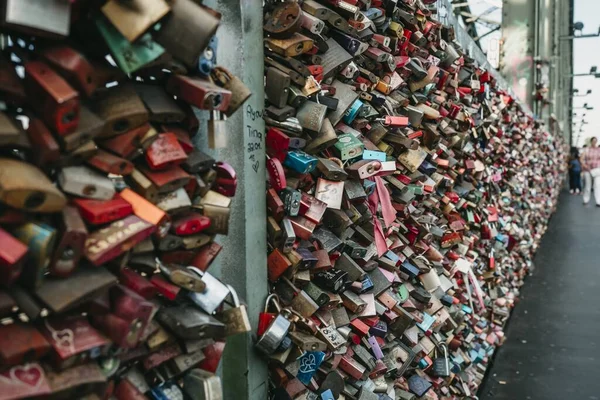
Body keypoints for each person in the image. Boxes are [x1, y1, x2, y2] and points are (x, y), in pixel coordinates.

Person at [580, 137, 600, 206]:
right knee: (588, 185)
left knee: (597, 185)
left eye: (595, 141)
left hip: (597, 169)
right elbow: (581, 159)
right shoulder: (587, 150)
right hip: (588, 169)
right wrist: (584, 165)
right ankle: (586, 200)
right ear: (591, 142)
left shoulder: (599, 150)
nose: (594, 142)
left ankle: (598, 201)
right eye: (593, 141)